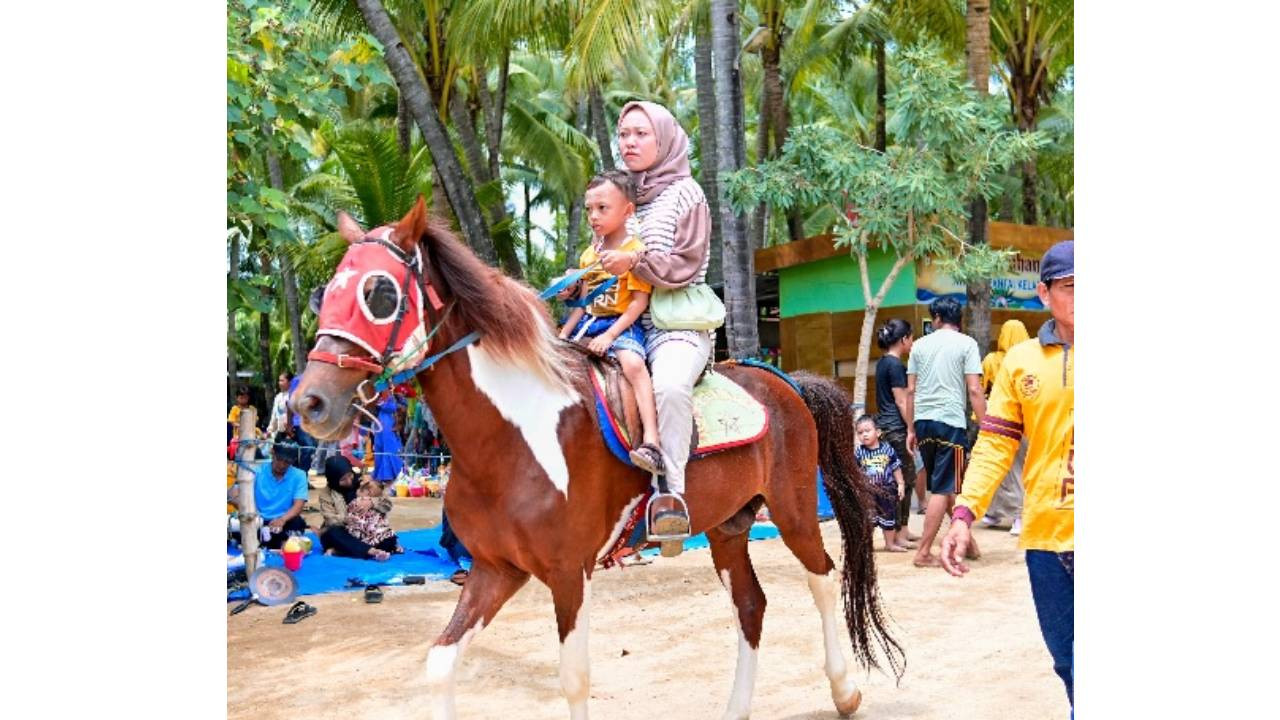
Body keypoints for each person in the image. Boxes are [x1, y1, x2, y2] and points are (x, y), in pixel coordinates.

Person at [941, 240, 1075, 709]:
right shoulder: (1020, 363)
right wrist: (964, 513)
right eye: (1070, 287)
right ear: (1044, 294)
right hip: (1047, 536)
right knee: (1069, 664)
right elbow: (996, 444)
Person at [597, 101, 715, 545]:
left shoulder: (688, 195)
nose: (629, 142)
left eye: (640, 134)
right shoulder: (617, 195)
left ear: (663, 138)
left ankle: (672, 499)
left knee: (668, 386)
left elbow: (686, 263)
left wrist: (635, 260)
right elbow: (599, 261)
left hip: (674, 323)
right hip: (619, 322)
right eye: (624, 133)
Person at [559, 170, 664, 474]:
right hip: (589, 323)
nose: (594, 216)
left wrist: (611, 336)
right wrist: (563, 334)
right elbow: (584, 303)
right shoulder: (588, 255)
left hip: (622, 325)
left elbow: (638, 303)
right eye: (590, 209)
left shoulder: (635, 252)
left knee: (632, 364)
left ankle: (652, 440)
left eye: (602, 208)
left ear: (627, 210)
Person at [906, 297, 986, 568]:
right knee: (944, 487)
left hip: (923, 423)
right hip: (951, 423)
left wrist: (910, 428)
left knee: (947, 483)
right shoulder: (967, 344)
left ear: (937, 319)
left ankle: (968, 543)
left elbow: (911, 391)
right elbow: (974, 389)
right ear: (958, 319)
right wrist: (986, 424)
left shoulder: (918, 345)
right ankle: (924, 551)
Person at [979, 320, 1031, 535]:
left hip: (999, 420)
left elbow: (981, 389)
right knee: (1019, 468)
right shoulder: (1032, 360)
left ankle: (1019, 515)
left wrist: (980, 416)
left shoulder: (992, 360)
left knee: (999, 467)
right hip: (1027, 422)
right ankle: (994, 511)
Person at [874, 318, 921, 543]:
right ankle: (899, 532)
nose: (912, 342)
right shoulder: (895, 366)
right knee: (905, 479)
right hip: (896, 428)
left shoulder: (882, 363)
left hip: (885, 426)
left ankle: (902, 528)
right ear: (904, 339)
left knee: (899, 479)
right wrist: (912, 428)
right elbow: (902, 401)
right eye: (911, 337)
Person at [317, 456, 398, 560]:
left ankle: (341, 551)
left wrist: (372, 502)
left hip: (367, 530)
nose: (349, 481)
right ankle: (371, 551)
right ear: (333, 480)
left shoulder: (364, 482)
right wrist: (350, 519)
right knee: (331, 533)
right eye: (343, 479)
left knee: (388, 539)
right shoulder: (326, 494)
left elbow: (387, 504)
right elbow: (331, 520)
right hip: (345, 530)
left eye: (349, 475)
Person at [854, 415, 909, 552]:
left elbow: (896, 467)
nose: (864, 435)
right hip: (867, 492)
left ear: (877, 433)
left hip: (887, 491)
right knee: (867, 519)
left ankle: (889, 544)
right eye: (860, 432)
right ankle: (866, 545)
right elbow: (855, 471)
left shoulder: (887, 449)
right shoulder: (859, 452)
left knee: (888, 518)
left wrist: (901, 484)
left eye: (867, 430)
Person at [252, 450, 310, 550]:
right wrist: (254, 515)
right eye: (279, 459)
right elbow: (236, 494)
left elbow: (298, 505)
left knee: (297, 523)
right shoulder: (257, 472)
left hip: (285, 521)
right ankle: (281, 543)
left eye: (287, 462)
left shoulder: (299, 475)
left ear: (293, 461)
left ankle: (270, 542)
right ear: (272, 454)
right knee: (241, 528)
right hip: (259, 521)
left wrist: (282, 519)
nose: (282, 465)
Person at [344, 475, 403, 560]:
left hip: (369, 537)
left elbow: (387, 504)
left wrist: (372, 502)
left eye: (360, 489)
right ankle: (389, 548)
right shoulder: (359, 498)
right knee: (387, 538)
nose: (357, 490)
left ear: (368, 492)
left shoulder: (357, 501)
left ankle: (375, 552)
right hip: (385, 536)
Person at [372, 393, 405, 484]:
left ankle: (383, 474)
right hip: (385, 423)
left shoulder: (392, 393)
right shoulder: (383, 393)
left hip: (383, 422)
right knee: (388, 447)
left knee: (386, 447)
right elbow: (390, 407)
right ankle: (387, 475)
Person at [264, 372, 293, 439]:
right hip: (279, 433)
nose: (279, 383)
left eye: (282, 381)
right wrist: (270, 430)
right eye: (279, 381)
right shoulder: (278, 397)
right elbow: (274, 415)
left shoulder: (293, 396)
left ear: (290, 382)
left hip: (291, 434)